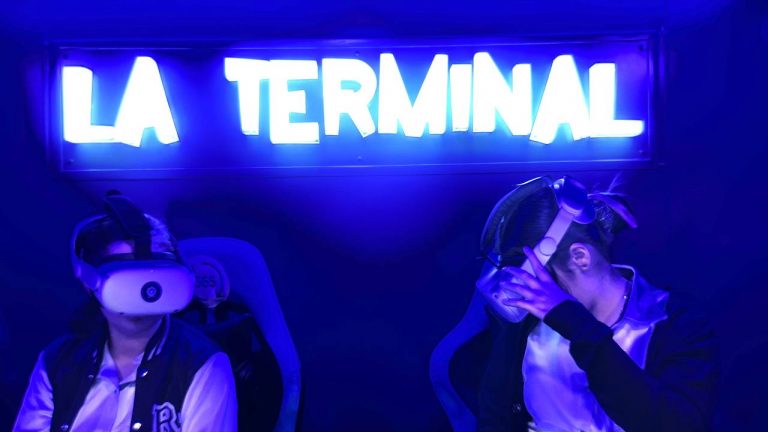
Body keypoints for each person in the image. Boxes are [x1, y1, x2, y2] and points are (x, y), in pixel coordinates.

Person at [476, 176, 718, 432]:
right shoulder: (526, 326)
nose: (532, 295)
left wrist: (576, 325)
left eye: (540, 280)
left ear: (580, 257)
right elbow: (495, 416)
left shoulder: (677, 325)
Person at [13, 193, 237, 432]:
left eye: (150, 283)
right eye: (126, 283)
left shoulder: (203, 364)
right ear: (90, 283)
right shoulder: (57, 362)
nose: (139, 300)